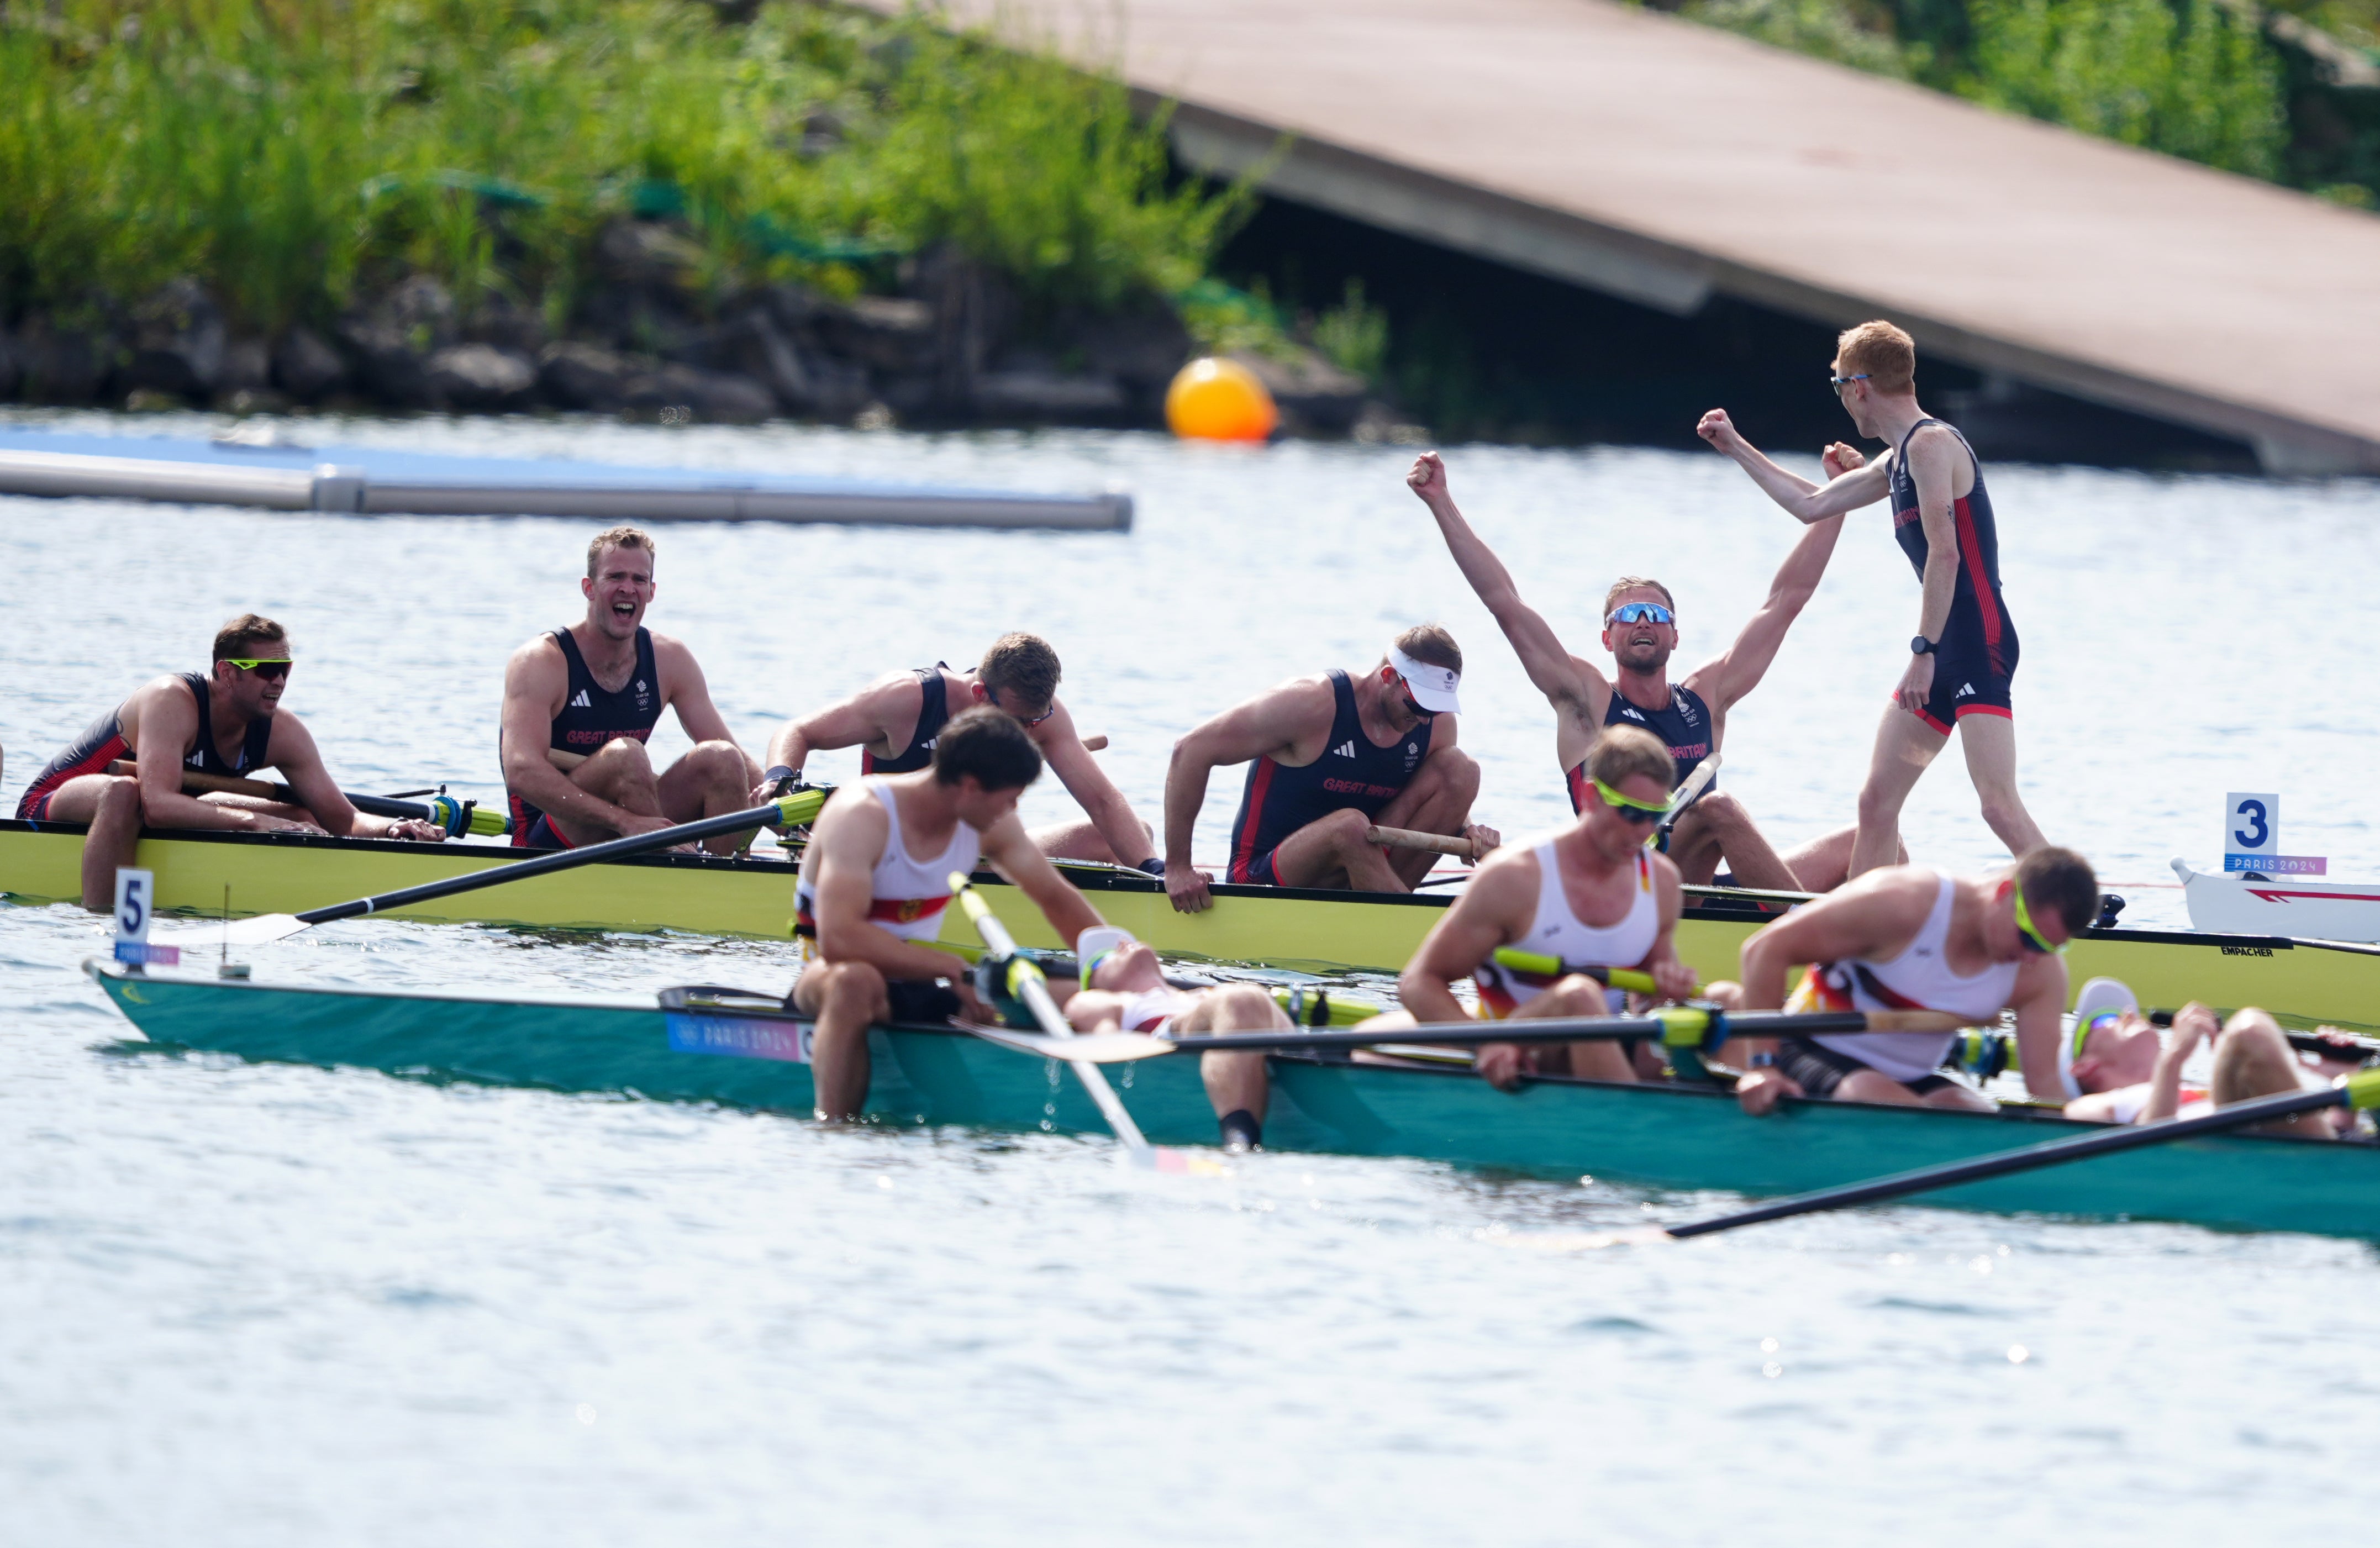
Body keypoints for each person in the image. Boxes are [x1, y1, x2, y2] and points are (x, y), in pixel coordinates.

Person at [1406, 449, 1868, 891]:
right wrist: (1442, 502)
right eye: (1627, 616)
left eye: (1656, 615)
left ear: (1675, 636)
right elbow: (1505, 603)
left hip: (1697, 884)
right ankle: (1802, 935)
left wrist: (1838, 499)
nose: (1643, 621)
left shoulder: (1707, 696)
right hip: (1629, 890)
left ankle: (1880, 948)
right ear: (1608, 640)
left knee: (1869, 839)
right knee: (1718, 808)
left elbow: (1786, 601)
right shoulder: (1586, 701)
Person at [1697, 319, 2047, 879]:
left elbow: (1946, 555)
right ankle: (1862, 934)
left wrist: (1922, 651)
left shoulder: (1932, 446)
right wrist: (1735, 445)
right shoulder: (1897, 459)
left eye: (1837, 388)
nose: (1841, 401)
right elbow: (1812, 504)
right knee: (1876, 805)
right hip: (1939, 649)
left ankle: (2078, 907)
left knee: (1997, 805)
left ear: (1859, 387)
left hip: (1976, 641)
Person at [791, 707, 1108, 1117]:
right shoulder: (862, 815)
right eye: (1010, 797)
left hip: (920, 982)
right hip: (829, 979)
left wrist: (1115, 967)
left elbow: (1055, 899)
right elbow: (841, 940)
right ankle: (835, 1127)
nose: (1012, 809)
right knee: (857, 980)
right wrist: (950, 968)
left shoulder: (988, 821)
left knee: (1064, 989)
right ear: (971, 787)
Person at [14, 614, 449, 909]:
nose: (278, 681)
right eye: (264, 670)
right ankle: (102, 921)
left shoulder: (282, 730)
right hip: (60, 801)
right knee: (126, 793)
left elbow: (342, 817)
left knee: (300, 812)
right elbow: (160, 805)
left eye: (285, 669)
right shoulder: (172, 700)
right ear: (226, 672)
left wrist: (392, 830)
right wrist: (255, 824)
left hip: (156, 806)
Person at [1361, 727, 1698, 1090]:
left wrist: (1669, 989)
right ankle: (1637, 1129)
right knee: (1579, 996)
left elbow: (1650, 1000)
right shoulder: (1514, 878)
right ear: (1592, 798)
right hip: (1521, 1056)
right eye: (1631, 813)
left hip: (1599, 1050)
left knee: (1724, 997)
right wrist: (1483, 1045)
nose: (1643, 831)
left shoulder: (1660, 883)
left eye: (1656, 815)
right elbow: (1418, 983)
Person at [1723, 846, 2098, 1114]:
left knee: (1977, 1117)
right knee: (1879, 1098)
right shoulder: (1903, 902)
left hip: (1910, 1076)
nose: (2034, 957)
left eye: (2051, 947)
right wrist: (1762, 1067)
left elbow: (2046, 1086)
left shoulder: (2040, 973)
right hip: (1804, 1044)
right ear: (2004, 894)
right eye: (2030, 938)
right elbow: (1764, 950)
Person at [1160, 625, 1498, 913]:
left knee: (1462, 770)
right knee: (1350, 826)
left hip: (1364, 865)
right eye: (1419, 704)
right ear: (1388, 677)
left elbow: (1442, 793)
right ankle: (1408, 929)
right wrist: (1178, 868)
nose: (1425, 719)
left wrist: (1467, 829)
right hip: (1265, 875)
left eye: (1436, 709)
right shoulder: (1310, 704)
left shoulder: (1434, 725)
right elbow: (1190, 751)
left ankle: (1391, 915)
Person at [755, 633, 1160, 869]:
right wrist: (779, 777)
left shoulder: (1043, 716)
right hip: (893, 855)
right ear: (981, 695)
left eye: (1040, 719)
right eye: (1021, 723)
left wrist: (1157, 872)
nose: (1031, 731)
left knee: (1133, 837)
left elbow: (1104, 802)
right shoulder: (904, 699)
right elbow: (799, 731)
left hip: (979, 854)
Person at [499, 526, 759, 850]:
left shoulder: (670, 659)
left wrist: (797, 819)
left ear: (651, 591)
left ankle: (724, 882)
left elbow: (747, 775)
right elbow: (521, 772)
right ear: (589, 588)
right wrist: (624, 821)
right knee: (626, 756)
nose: (628, 589)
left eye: (639, 580)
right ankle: (676, 867)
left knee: (723, 758)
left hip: (634, 825)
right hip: (547, 839)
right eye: (615, 577)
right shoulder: (541, 662)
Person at [1063, 926, 1296, 1150]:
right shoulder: (1102, 1001)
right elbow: (1109, 1052)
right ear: (1096, 985)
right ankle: (1239, 1145)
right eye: (1104, 958)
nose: (1123, 944)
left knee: (1253, 997)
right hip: (1169, 1035)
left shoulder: (1200, 994)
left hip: (1237, 1024)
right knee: (1243, 998)